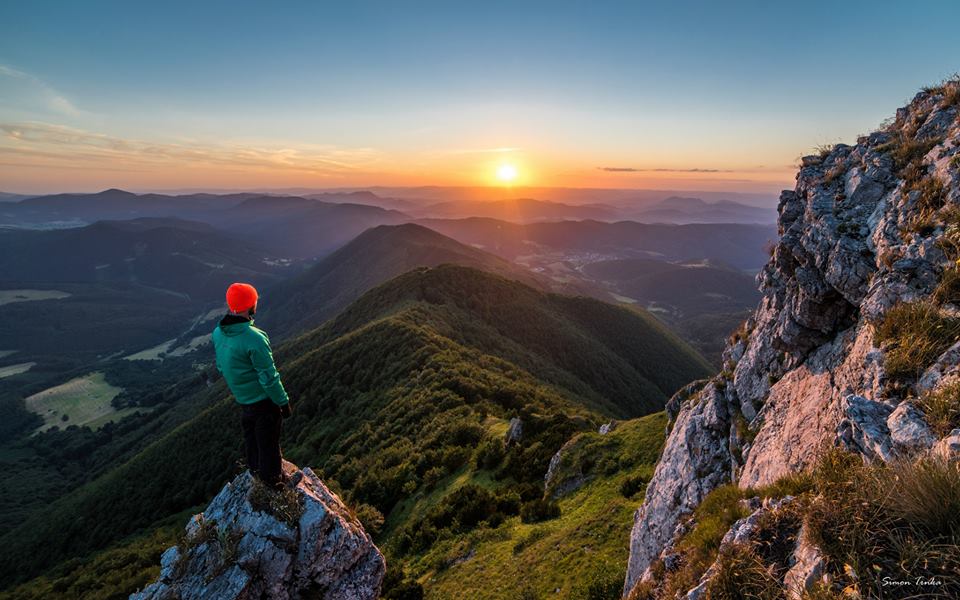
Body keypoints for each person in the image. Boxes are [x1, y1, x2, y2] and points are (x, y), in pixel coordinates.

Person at [212, 282, 294, 489]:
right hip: (264, 401)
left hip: (243, 399)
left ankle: (255, 471)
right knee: (269, 442)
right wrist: (283, 402)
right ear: (251, 305)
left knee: (252, 439)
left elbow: (221, 366)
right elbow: (268, 377)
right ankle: (273, 483)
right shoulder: (254, 338)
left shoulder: (218, 333)